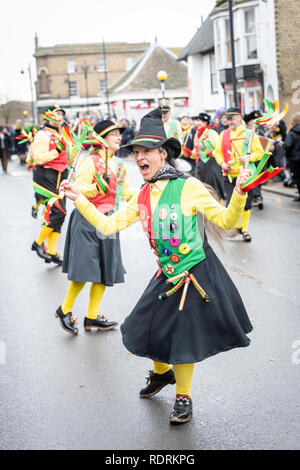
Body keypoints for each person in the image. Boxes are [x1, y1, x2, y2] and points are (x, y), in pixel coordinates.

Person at [60, 107, 253, 425]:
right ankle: (162, 374)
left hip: (195, 274)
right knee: (145, 326)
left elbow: (227, 221)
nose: (139, 157)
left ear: (164, 154)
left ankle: (184, 398)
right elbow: (106, 227)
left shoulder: (188, 186)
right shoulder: (142, 195)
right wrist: (79, 198)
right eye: (136, 151)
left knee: (182, 338)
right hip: (167, 274)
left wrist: (241, 194)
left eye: (146, 150)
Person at [56, 120, 136, 335]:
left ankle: (92, 317)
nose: (119, 138)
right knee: (84, 270)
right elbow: (78, 191)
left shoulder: (119, 165)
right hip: (87, 218)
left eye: (120, 134)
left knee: (104, 271)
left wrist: (148, 194)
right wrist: (98, 183)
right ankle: (64, 309)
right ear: (101, 139)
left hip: (110, 219)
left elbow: (125, 192)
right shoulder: (88, 163)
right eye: (114, 134)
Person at [215, 107, 264, 242]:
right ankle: (237, 227)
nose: (229, 121)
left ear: (239, 117)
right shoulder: (223, 134)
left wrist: (248, 158)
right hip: (229, 175)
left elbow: (259, 153)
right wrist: (222, 163)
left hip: (245, 175)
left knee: (246, 203)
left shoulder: (249, 133)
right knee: (231, 202)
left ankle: (245, 229)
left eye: (231, 118)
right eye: (227, 118)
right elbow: (217, 152)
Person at [30, 106, 72, 264]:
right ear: (48, 118)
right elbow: (39, 158)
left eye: (61, 114)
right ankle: (38, 243)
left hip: (61, 176)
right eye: (56, 114)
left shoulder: (61, 135)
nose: (60, 117)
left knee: (60, 216)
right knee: (57, 212)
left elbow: (68, 156)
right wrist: (57, 151)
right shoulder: (42, 135)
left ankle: (53, 251)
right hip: (47, 176)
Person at [193, 112, 225, 201]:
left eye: (200, 121)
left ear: (205, 122)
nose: (198, 123)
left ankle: (218, 206)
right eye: (197, 121)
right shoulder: (197, 133)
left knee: (214, 187)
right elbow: (196, 149)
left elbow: (219, 148)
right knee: (201, 186)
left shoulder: (211, 133)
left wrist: (211, 152)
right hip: (201, 164)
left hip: (212, 164)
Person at [284, 112, 300, 201]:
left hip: (295, 160)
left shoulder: (291, 133)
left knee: (298, 178)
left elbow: (288, 146)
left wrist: (288, 156)